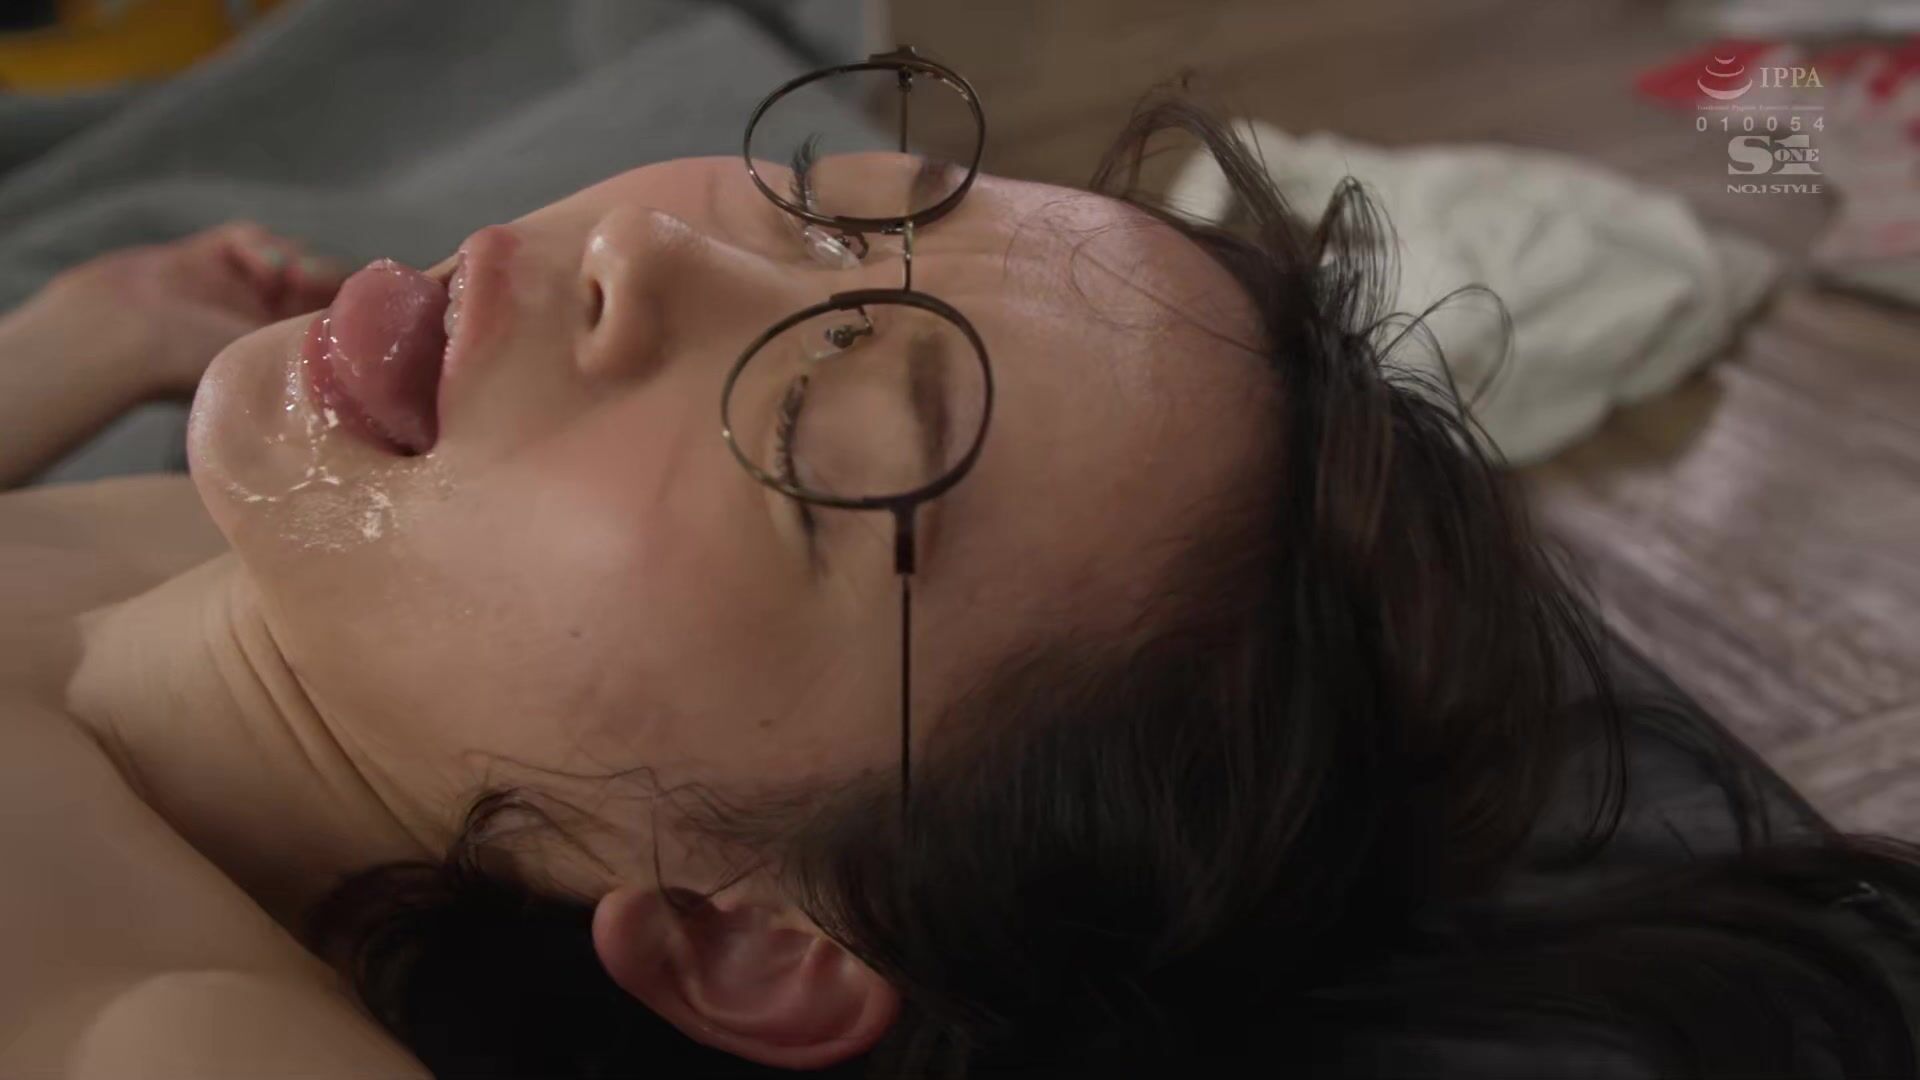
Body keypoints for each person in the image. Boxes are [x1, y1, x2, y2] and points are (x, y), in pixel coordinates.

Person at [5, 71, 1920, 1077]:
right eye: (823, 213)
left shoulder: (152, 1022)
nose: (647, 255)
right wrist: (76, 349)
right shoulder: (272, 574)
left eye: (819, 438)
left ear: (751, 942)